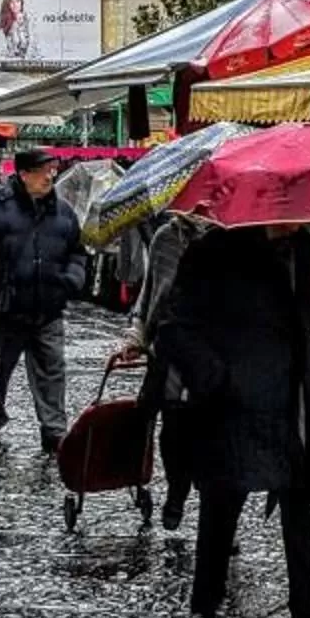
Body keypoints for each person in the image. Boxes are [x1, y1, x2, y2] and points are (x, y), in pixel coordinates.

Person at [157, 221, 310, 618]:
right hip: (233, 405)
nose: (299, 219)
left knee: (302, 519)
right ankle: (204, 602)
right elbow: (173, 328)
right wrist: (216, 378)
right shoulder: (212, 251)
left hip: (293, 405)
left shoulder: (300, 249)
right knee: (221, 504)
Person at [0, 145, 85, 452]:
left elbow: (77, 253)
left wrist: (70, 281)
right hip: (5, 309)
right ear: (23, 174)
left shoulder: (63, 211)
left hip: (48, 309)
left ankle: (54, 432)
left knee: (52, 372)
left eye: (52, 170)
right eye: (43, 170)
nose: (50, 176)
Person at [111, 209, 211, 532]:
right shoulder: (164, 239)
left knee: (215, 433)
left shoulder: (226, 238)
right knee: (174, 432)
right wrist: (136, 337)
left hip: (214, 352)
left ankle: (218, 515)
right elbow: (149, 295)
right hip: (168, 350)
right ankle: (177, 491)